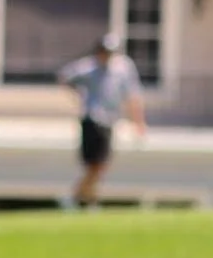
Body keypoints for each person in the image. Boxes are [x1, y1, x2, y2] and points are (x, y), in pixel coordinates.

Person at [57, 33, 147, 209]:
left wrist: (139, 122)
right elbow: (65, 77)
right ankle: (79, 198)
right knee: (95, 164)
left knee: (101, 164)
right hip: (92, 118)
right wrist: (79, 95)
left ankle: (86, 199)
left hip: (110, 120)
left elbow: (133, 96)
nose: (107, 56)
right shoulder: (88, 67)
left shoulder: (124, 68)